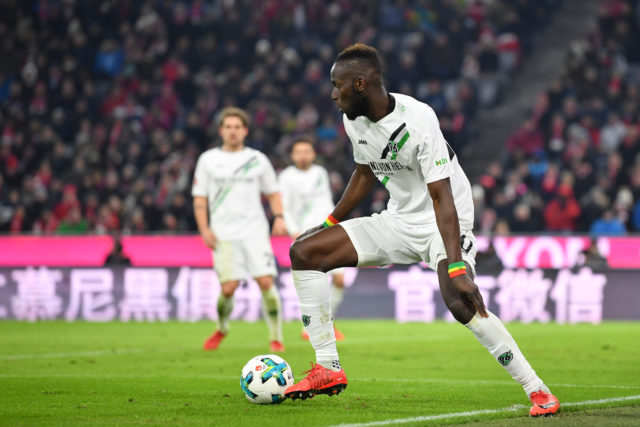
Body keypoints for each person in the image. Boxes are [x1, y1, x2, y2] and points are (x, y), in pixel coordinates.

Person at [283, 44, 559, 417]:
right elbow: (365, 173)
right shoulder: (354, 120)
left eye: (338, 85)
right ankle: (328, 367)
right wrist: (330, 222)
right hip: (397, 220)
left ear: (361, 83)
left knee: (460, 301)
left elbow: (442, 196)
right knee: (305, 253)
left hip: (442, 222)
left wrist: (457, 265)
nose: (333, 94)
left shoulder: (417, 119)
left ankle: (538, 390)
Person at [192, 107, 287, 353]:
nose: (233, 131)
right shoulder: (208, 160)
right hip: (223, 233)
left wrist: (278, 216)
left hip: (255, 231)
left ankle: (276, 337)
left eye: (237, 127)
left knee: (266, 282)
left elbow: (273, 192)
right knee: (228, 288)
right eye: (228, 127)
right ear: (221, 130)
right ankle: (222, 327)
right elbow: (200, 198)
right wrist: (204, 229)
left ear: (245, 131)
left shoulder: (257, 159)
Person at [278, 137, 346, 341]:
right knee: (312, 282)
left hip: (326, 231)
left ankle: (328, 322)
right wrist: (293, 230)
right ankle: (309, 326)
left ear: (313, 154)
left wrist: (334, 223)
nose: (303, 155)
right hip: (304, 234)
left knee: (339, 279)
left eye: (307, 151)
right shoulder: (286, 177)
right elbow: (285, 206)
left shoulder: (320, 173)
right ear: (292, 155)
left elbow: (326, 201)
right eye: (299, 152)